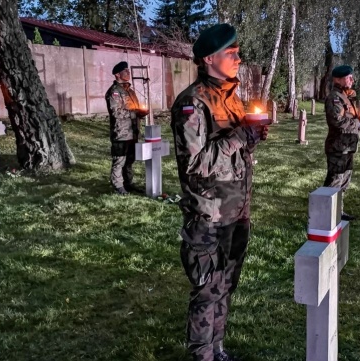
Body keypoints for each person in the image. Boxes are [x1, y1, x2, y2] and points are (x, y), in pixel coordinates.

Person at [170, 23, 269, 361]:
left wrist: (254, 135)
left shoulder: (230, 98)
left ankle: (218, 349)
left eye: (238, 53)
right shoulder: (193, 103)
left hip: (236, 211)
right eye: (232, 53)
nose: (238, 59)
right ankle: (202, 355)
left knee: (226, 286)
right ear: (209, 58)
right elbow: (196, 164)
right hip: (209, 216)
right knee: (207, 291)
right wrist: (242, 136)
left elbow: (235, 152)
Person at [323, 65, 360, 221]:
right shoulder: (335, 97)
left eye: (351, 77)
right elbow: (337, 121)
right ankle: (326, 214)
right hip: (338, 147)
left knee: (344, 181)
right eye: (348, 77)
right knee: (334, 181)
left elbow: (350, 120)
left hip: (348, 146)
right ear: (338, 79)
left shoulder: (346, 97)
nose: (352, 80)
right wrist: (357, 123)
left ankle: (338, 212)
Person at [105, 61, 149, 195]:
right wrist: (135, 113)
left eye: (128, 71)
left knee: (130, 160)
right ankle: (118, 185)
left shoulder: (130, 91)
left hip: (133, 131)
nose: (128, 73)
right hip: (121, 132)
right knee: (120, 159)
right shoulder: (114, 92)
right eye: (126, 71)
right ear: (117, 74)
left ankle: (128, 183)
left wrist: (140, 113)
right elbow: (116, 112)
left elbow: (134, 109)